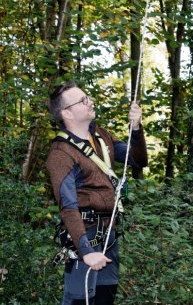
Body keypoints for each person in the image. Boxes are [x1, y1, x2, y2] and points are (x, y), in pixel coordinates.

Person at [46, 81, 148, 304]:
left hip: (109, 233)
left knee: (105, 297)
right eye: (83, 100)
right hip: (85, 235)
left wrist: (136, 128)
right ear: (67, 113)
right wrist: (86, 251)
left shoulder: (102, 137)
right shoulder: (61, 153)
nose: (90, 101)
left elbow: (139, 160)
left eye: (88, 97)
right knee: (80, 299)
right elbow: (68, 206)